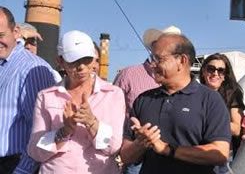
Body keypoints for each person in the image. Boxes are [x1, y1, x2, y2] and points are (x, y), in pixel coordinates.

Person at [119, 33, 231, 174]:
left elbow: (220, 153)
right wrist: (140, 143)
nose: (153, 64)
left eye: (159, 59)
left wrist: (168, 149)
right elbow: (125, 156)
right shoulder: (143, 100)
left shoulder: (210, 100)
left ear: (182, 61)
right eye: (152, 58)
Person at [27, 30, 125, 173]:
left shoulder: (113, 94)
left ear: (94, 59)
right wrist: (64, 131)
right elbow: (35, 151)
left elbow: (112, 147)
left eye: (87, 59)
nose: (81, 67)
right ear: (60, 61)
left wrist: (92, 122)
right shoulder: (46, 96)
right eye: (74, 60)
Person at [114, 25, 181, 174]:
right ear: (153, 46)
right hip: (135, 155)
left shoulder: (182, 83)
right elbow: (112, 113)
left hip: (171, 156)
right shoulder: (128, 75)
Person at [0, 6, 55, 173]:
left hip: (11, 165)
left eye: (0, 36)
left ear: (16, 31)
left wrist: (22, 171)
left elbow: (42, 130)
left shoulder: (32, 68)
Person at [198, 53, 245, 156]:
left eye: (220, 70)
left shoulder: (233, 94)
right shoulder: (194, 94)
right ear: (203, 72)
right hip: (197, 150)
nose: (215, 73)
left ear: (225, 76)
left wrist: (207, 122)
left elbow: (236, 129)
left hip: (222, 153)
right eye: (211, 69)